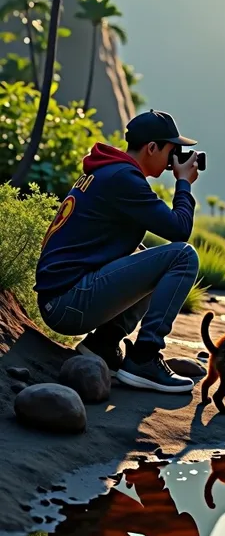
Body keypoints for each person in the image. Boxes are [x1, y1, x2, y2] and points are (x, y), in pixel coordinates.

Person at [35, 109, 201, 394]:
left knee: (144, 252)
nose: (176, 158)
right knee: (183, 256)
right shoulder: (123, 179)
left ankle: (102, 344)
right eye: (173, 150)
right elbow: (179, 229)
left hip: (62, 299)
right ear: (152, 148)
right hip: (68, 303)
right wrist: (183, 182)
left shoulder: (110, 172)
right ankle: (145, 357)